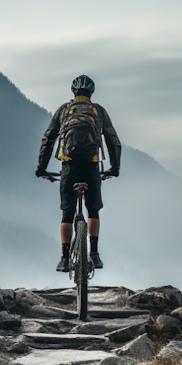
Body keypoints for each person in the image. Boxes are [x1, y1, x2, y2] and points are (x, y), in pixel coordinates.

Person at [36, 75, 121, 272]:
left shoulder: (64, 110)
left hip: (69, 166)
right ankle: (94, 254)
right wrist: (115, 168)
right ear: (91, 93)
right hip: (91, 166)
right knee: (93, 210)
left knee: (67, 213)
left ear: (74, 93)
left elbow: (48, 138)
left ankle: (64, 258)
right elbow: (113, 140)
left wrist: (41, 167)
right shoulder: (98, 111)